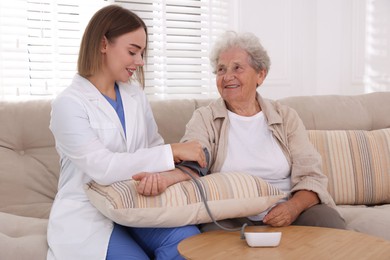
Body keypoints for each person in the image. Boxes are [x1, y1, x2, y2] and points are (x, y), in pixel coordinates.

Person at [47, 5, 206, 260]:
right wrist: (172, 151)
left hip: (138, 204)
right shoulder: (69, 104)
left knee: (190, 246)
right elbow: (103, 167)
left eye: (142, 53)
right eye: (133, 52)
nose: (140, 62)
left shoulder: (135, 95)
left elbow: (152, 148)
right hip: (90, 214)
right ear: (103, 44)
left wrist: (157, 176)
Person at [176, 31, 346, 231]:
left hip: (287, 209)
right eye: (221, 69)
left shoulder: (285, 117)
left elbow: (312, 176)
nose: (227, 76)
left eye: (237, 68)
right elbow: (193, 157)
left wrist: (292, 207)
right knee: (211, 235)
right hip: (230, 214)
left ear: (261, 75)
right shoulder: (204, 117)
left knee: (328, 222)